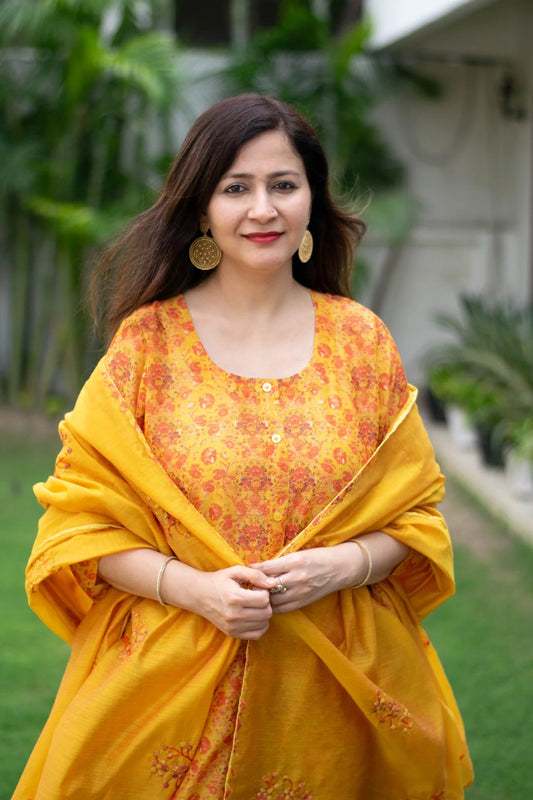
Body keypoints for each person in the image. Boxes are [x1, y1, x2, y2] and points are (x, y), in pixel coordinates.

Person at [14, 93, 473, 800]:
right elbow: (78, 525)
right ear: (202, 209)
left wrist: (342, 567)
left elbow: (413, 522)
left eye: (283, 185)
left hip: (337, 693)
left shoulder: (361, 342)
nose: (263, 209)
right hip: (164, 690)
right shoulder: (147, 346)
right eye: (236, 188)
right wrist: (195, 589)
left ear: (311, 202)